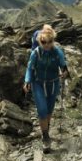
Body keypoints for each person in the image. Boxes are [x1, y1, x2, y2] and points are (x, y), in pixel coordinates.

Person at [23, 24, 68, 152]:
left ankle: (45, 129)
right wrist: (27, 81)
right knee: (42, 110)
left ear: (53, 40)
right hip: (38, 83)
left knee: (49, 110)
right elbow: (30, 69)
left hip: (53, 84)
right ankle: (45, 137)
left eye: (50, 41)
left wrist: (64, 72)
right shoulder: (35, 53)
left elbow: (64, 67)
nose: (47, 44)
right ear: (39, 41)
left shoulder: (57, 52)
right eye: (44, 42)